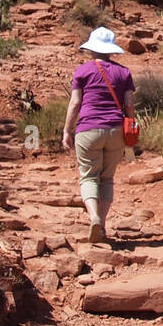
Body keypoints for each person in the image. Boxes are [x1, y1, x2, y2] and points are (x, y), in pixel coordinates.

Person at [62, 27, 138, 243]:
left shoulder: (82, 71)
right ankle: (102, 225)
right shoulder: (124, 73)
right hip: (115, 130)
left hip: (88, 129)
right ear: (111, 50)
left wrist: (67, 130)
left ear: (92, 49)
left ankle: (93, 216)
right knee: (107, 178)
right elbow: (129, 104)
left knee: (88, 175)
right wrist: (130, 128)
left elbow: (75, 102)